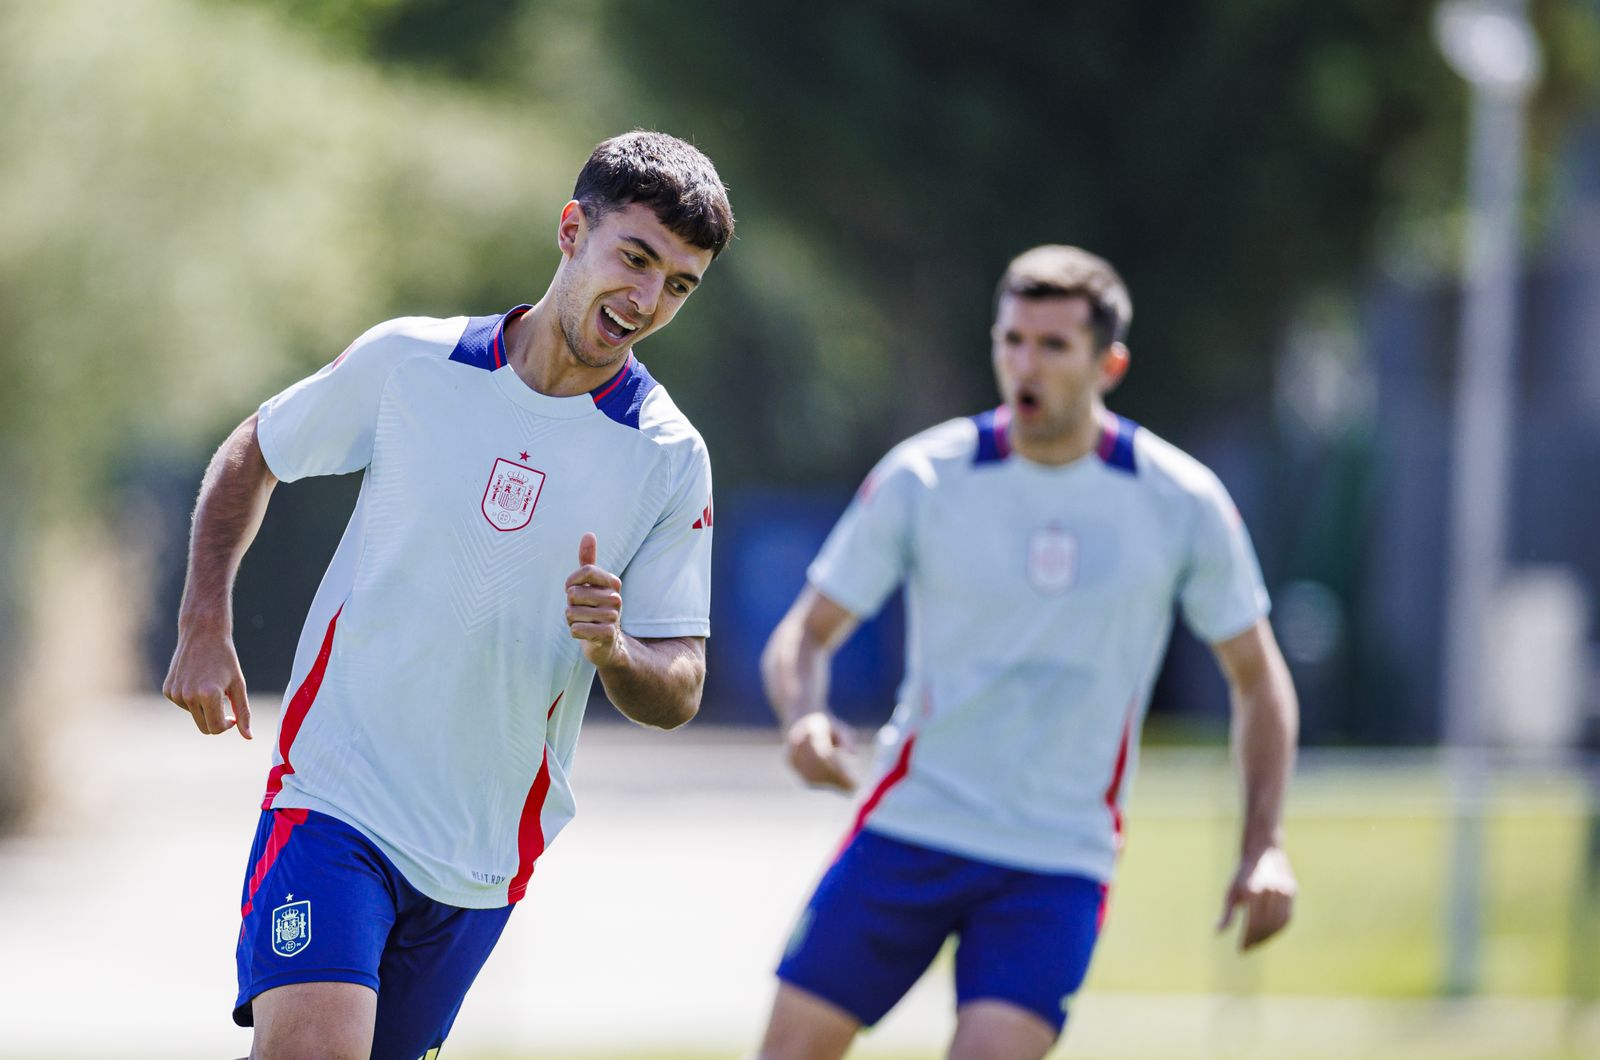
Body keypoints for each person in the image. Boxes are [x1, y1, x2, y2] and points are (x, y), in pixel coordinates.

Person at [162, 130, 733, 1060]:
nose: (645, 300)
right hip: (332, 799)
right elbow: (255, 451)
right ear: (569, 230)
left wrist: (616, 650)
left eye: (678, 284)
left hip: (481, 855)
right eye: (634, 258)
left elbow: (680, 686)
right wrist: (201, 620)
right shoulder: (413, 364)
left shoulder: (668, 456)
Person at [755, 245, 1299, 1060]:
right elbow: (805, 631)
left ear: (1107, 364)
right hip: (912, 824)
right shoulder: (926, 477)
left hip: (1057, 860)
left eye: (1052, 346)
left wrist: (1264, 845)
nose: (1024, 364)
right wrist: (804, 718)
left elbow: (1258, 681)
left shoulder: (1181, 502)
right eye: (1011, 340)